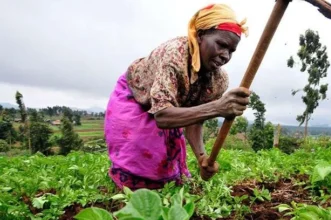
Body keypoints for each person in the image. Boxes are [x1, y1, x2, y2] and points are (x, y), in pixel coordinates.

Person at [104, 3, 251, 190]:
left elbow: (195, 120)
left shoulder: (218, 80)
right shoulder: (174, 56)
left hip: (169, 106)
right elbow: (163, 116)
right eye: (221, 45)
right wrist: (217, 108)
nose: (225, 55)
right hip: (136, 96)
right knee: (139, 152)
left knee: (166, 169)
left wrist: (202, 158)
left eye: (231, 50)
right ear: (200, 36)